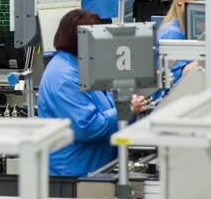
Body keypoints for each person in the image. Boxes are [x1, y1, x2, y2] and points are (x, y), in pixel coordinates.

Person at [36, 9, 148, 176]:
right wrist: (126, 108)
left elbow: (107, 102)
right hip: (74, 174)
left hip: (96, 167)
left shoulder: (82, 65)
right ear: (83, 40)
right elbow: (86, 128)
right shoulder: (63, 77)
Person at [155, 0, 206, 85]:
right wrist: (209, 55)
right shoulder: (171, 33)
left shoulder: (190, 30)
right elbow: (178, 81)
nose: (202, 4)